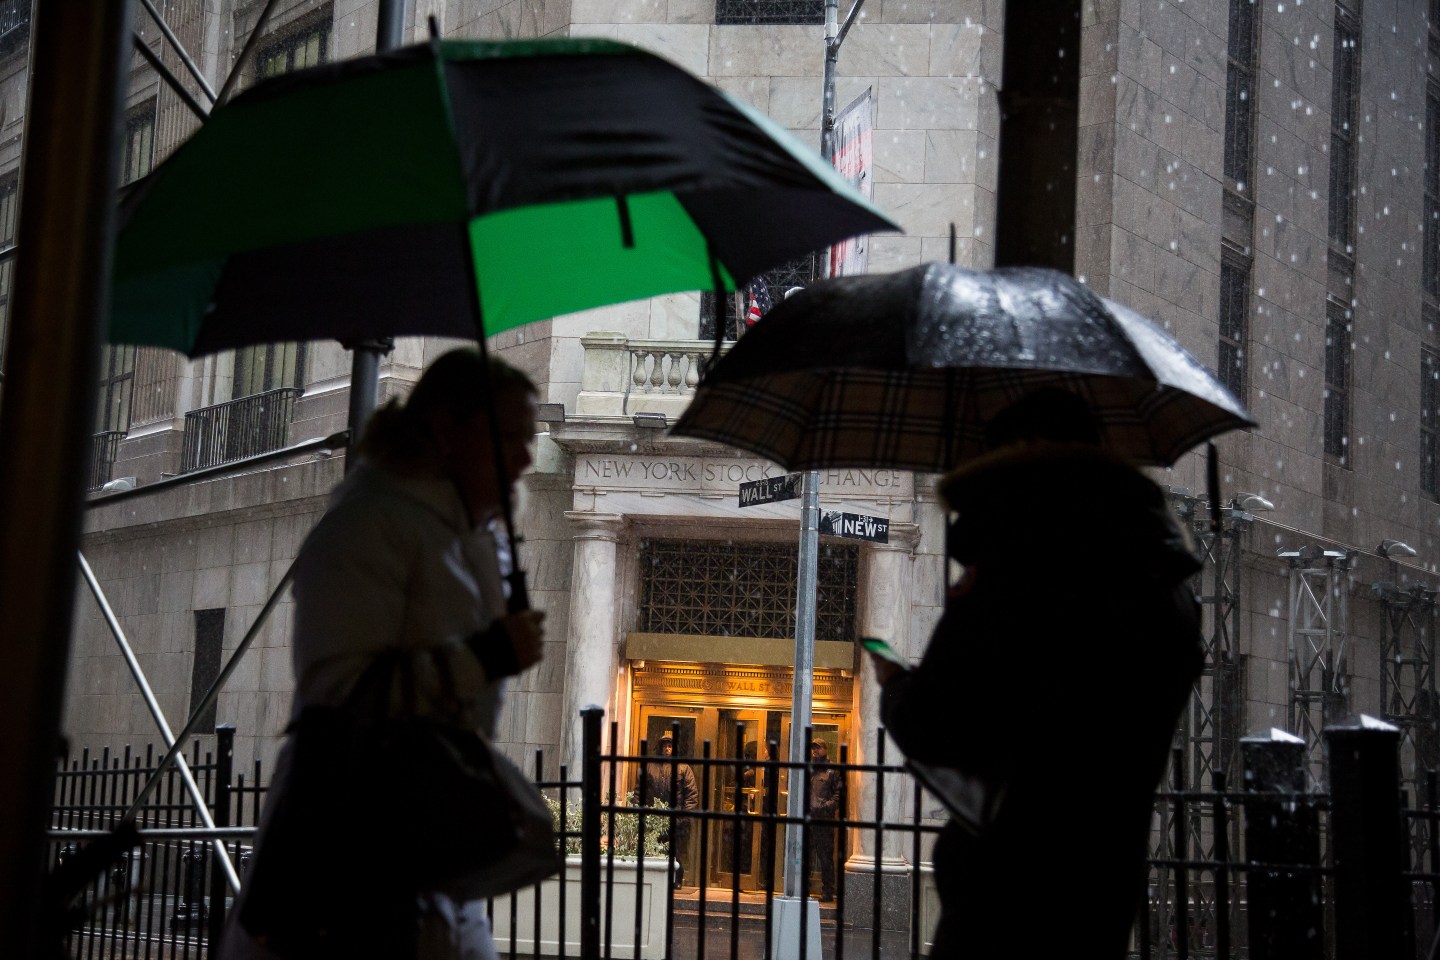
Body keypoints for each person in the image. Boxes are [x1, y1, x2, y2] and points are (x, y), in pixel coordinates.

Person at [222, 349, 547, 960]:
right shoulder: (368, 526)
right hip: (348, 860)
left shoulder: (475, 540)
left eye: (529, 439)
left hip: (427, 850)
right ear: (446, 430)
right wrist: (486, 655)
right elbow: (340, 697)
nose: (526, 458)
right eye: (507, 437)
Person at [865, 387, 1203, 959]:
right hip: (1103, 880)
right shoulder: (1162, 578)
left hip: (1006, 883)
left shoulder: (1021, 565)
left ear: (1018, 459)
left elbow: (936, 723)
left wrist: (897, 683)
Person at [639, 735, 700, 889]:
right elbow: (640, 791)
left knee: (675, 850)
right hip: (654, 817)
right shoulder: (650, 766)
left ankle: (676, 879)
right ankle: (654, 879)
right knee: (653, 849)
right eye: (665, 746)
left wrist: (684, 816)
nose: (667, 749)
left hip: (676, 817)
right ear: (660, 748)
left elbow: (691, 795)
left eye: (670, 746)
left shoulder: (683, 768)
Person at [807, 738, 843, 901]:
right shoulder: (809, 769)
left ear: (825, 749)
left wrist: (825, 807)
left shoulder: (832, 770)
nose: (815, 751)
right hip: (808, 818)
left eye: (818, 748)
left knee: (825, 857)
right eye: (813, 748)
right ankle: (804, 889)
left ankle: (828, 891)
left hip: (824, 820)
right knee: (806, 855)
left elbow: (838, 795)